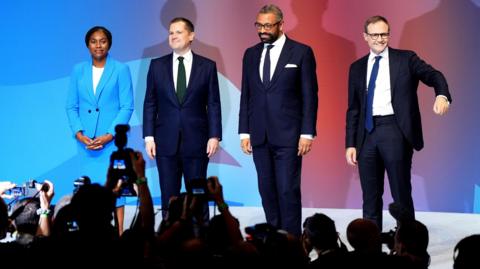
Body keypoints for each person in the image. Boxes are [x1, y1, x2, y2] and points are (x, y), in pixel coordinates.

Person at [345, 15, 451, 230]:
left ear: (389, 34)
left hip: (394, 130)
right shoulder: (356, 67)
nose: (380, 39)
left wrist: (442, 95)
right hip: (366, 135)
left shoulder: (406, 59)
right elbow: (353, 109)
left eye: (384, 34)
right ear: (365, 37)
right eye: (374, 35)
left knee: (400, 194)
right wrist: (350, 144)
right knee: (370, 196)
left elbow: (434, 75)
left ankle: (407, 245)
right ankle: (370, 247)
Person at [238, 4, 318, 237]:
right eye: (259, 25)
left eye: (267, 25)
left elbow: (310, 96)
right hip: (259, 135)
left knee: (287, 190)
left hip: (289, 136)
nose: (262, 30)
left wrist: (307, 133)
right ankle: (273, 239)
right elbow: (247, 95)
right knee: (267, 191)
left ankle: (291, 242)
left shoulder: (301, 52)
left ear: (281, 25)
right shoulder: (250, 54)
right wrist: (244, 132)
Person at [143, 17, 222, 218]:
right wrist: (149, 137)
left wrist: (214, 136)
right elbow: (150, 103)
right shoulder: (157, 66)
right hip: (164, 142)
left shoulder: (207, 66)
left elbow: (213, 103)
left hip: (197, 141)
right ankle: (168, 240)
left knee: (197, 196)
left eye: (178, 32)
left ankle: (200, 242)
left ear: (191, 36)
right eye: (171, 32)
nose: (173, 36)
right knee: (169, 196)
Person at [66, 26, 134, 233]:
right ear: (87, 45)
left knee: (116, 188)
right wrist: (79, 134)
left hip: (110, 142)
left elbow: (126, 106)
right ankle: (87, 233)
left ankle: (119, 234)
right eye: (94, 41)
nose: (98, 45)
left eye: (102, 41)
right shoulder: (78, 70)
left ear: (109, 44)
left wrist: (109, 135)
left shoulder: (121, 69)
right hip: (85, 142)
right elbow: (71, 106)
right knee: (86, 188)